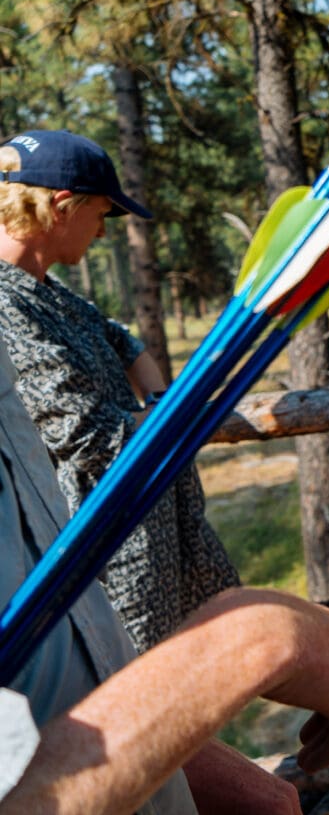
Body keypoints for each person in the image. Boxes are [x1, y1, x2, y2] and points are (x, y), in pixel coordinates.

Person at [0, 0, 329, 815]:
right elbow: (91, 443)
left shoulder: (56, 305)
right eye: (102, 214)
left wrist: (177, 766)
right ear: (59, 206)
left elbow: (30, 700)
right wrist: (237, 654)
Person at [0, 129, 241, 652]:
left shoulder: (43, 287)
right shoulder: (5, 304)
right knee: (143, 698)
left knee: (204, 669)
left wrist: (157, 403)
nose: (103, 233)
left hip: (148, 520)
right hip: (103, 545)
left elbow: (120, 338)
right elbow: (84, 434)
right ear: (62, 207)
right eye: (102, 214)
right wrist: (164, 418)